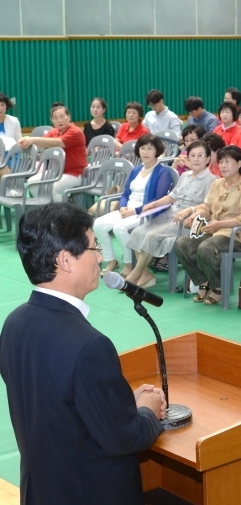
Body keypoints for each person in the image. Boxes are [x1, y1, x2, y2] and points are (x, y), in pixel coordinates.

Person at [0, 203, 165, 505]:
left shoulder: (13, 324)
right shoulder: (88, 345)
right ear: (65, 260)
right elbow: (123, 437)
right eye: (94, 247)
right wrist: (147, 410)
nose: (101, 257)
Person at [124, 140, 217, 287]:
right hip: (171, 213)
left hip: (188, 221)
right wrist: (153, 204)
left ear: (208, 159)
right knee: (137, 232)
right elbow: (172, 196)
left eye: (200, 155)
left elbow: (208, 206)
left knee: (151, 236)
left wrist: (190, 211)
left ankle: (135, 274)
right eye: (193, 155)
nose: (196, 159)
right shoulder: (185, 175)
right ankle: (146, 274)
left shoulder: (212, 180)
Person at [176, 145, 241, 305]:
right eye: (221, 162)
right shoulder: (217, 184)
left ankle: (218, 287)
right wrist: (195, 215)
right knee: (182, 243)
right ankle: (203, 281)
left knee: (205, 247)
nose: (223, 165)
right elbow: (207, 207)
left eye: (228, 162)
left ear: (239, 164)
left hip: (239, 234)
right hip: (215, 229)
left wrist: (219, 224)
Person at [93, 133, 171, 277]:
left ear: (157, 151)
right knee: (98, 224)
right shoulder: (136, 170)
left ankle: (129, 264)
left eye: (150, 148)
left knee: (120, 228)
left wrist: (134, 211)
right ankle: (111, 260)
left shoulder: (163, 172)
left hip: (146, 212)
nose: (146, 152)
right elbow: (125, 193)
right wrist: (122, 207)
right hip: (127, 209)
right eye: (142, 148)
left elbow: (157, 199)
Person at [19, 102, 87, 203]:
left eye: (62, 116)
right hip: (57, 171)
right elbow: (41, 144)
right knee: (31, 182)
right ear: (52, 120)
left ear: (69, 116)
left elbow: (58, 142)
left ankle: (66, 210)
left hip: (75, 173)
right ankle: (50, 208)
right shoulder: (55, 131)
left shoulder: (75, 132)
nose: (59, 120)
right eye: (55, 118)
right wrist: (25, 141)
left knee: (52, 188)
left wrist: (32, 139)